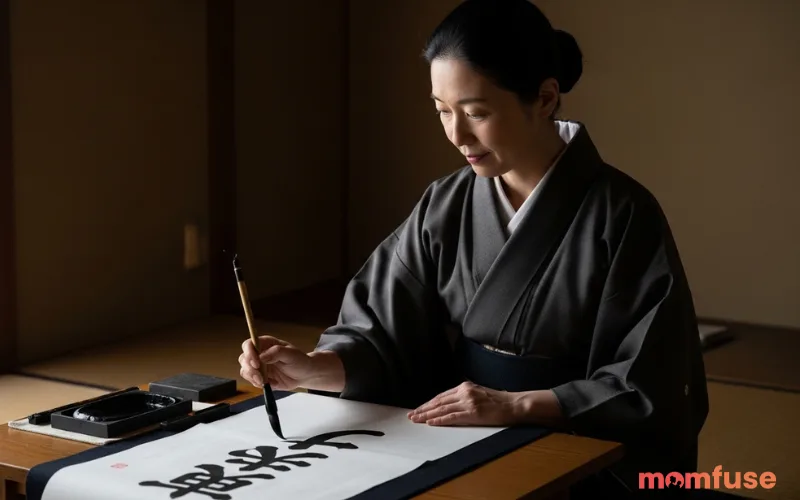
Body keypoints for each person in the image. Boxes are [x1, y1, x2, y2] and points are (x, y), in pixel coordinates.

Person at [239, 0, 709, 496]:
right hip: (460, 438)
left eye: (476, 113)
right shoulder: (446, 202)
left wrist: (515, 405)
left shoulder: (622, 213)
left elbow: (651, 383)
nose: (457, 134)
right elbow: (385, 334)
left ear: (545, 99)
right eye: (442, 111)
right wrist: (315, 368)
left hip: (579, 448)